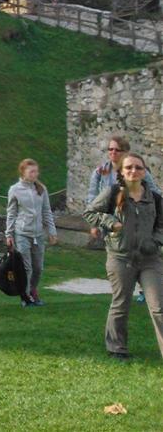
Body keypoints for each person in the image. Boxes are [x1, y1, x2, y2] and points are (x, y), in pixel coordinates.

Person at [83, 152, 163, 359]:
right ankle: (116, 349)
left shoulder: (154, 198)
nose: (133, 171)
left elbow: (161, 225)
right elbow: (89, 212)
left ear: (144, 172)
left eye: (138, 167)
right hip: (120, 257)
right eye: (129, 167)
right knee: (121, 303)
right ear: (121, 172)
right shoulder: (112, 192)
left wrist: (155, 241)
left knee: (158, 306)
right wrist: (111, 223)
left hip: (149, 259)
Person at [5, 158, 58, 307]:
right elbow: (11, 213)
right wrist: (9, 234)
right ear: (23, 172)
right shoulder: (15, 190)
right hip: (22, 233)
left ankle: (33, 290)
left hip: (38, 234)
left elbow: (46, 211)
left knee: (38, 268)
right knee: (26, 267)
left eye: (36, 171)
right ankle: (26, 296)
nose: (35, 174)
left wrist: (52, 231)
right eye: (31, 171)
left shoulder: (41, 189)